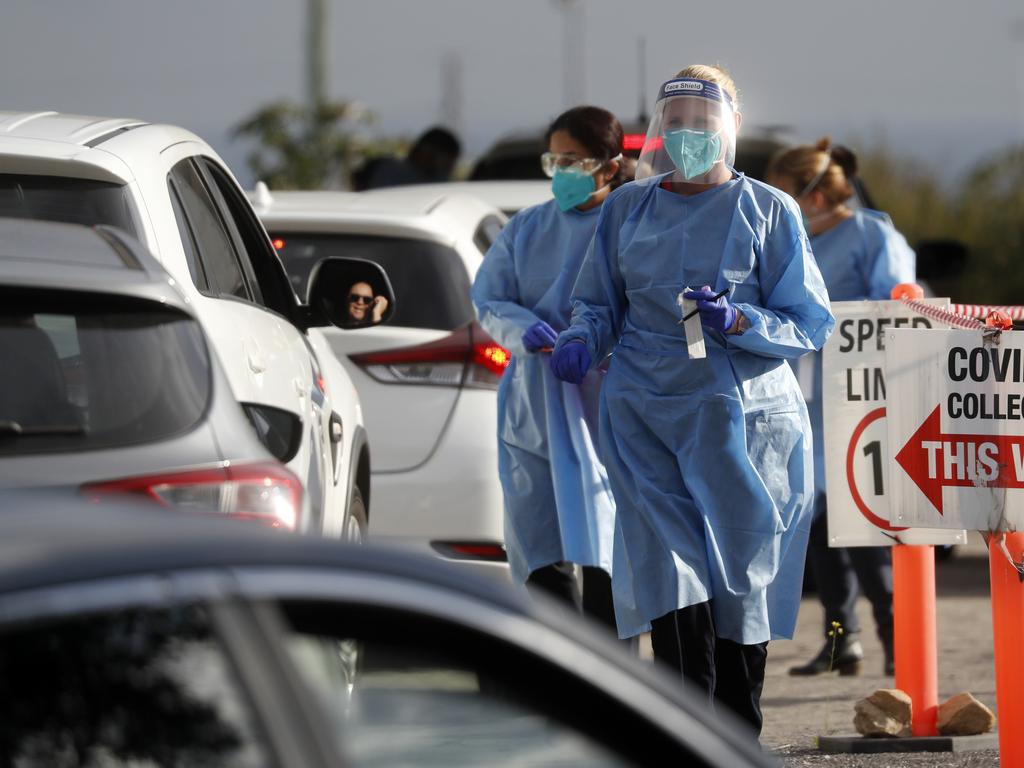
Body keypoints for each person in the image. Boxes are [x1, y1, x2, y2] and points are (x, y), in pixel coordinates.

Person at [549, 65, 834, 735]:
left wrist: (741, 323)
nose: (686, 137)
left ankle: (737, 734)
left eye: (700, 125)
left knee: (739, 581)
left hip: (741, 422)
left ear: (727, 130)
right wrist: (581, 340)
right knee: (667, 570)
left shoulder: (767, 210)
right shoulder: (626, 207)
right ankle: (684, 734)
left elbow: (810, 320)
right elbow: (598, 299)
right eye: (673, 124)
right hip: (644, 410)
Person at [471, 105, 629, 630]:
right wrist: (522, 329)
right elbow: (490, 299)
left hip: (605, 397)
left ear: (609, 166)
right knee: (541, 545)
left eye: (574, 161)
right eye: (554, 160)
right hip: (536, 400)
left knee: (612, 547)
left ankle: (616, 685)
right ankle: (564, 683)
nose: (562, 172)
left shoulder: (630, 224)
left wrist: (597, 341)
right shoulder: (528, 229)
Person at [766, 139, 916, 677]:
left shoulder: (873, 234)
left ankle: (899, 642)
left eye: (783, 191)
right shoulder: (795, 237)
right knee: (819, 526)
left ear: (814, 190)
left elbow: (897, 303)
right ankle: (840, 641)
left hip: (860, 399)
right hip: (805, 398)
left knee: (867, 530)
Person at [353, 126, 462, 190]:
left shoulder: (384, 167)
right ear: (426, 152)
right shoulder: (389, 171)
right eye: (447, 163)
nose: (449, 170)